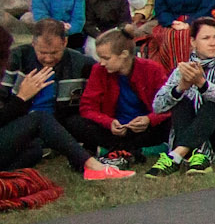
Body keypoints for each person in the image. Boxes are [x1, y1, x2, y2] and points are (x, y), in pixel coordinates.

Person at [0, 20, 135, 180]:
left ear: (65, 42)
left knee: (34, 150)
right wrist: (21, 98)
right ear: (33, 43)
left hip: (59, 126)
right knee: (40, 120)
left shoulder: (81, 64)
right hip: (21, 122)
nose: (48, 59)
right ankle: (92, 166)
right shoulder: (16, 60)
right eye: (43, 53)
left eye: (54, 53)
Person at [143, 17, 215, 173]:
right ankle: (195, 153)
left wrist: (203, 85)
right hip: (193, 133)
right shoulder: (184, 69)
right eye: (206, 38)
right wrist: (180, 87)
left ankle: (176, 155)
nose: (212, 42)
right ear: (193, 42)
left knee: (212, 105)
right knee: (181, 102)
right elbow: (157, 106)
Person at [79, 30, 171, 164]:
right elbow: (87, 107)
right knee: (76, 123)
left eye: (106, 58)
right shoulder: (98, 70)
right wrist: (108, 122)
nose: (102, 63)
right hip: (114, 129)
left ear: (124, 54)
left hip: (145, 128)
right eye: (100, 58)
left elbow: (168, 105)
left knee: (171, 122)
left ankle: (114, 150)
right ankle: (137, 150)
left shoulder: (152, 69)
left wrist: (149, 119)